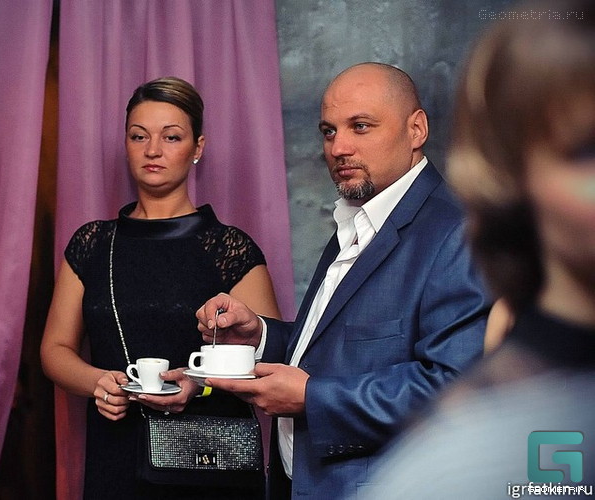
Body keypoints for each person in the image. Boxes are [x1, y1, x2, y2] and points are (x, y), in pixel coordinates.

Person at [196, 62, 491, 499]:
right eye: (329, 131)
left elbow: (456, 386)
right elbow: (341, 348)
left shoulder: (457, 231)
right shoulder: (360, 219)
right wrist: (260, 336)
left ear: (416, 129)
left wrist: (312, 398)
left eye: (361, 126)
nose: (338, 147)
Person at [358, 1, 595, 497]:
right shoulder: (471, 457)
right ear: (506, 179)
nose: (340, 147)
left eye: (360, 126)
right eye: (587, 151)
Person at [41, 76, 280, 499]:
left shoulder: (229, 248)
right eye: (139, 136)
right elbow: (55, 349)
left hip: (208, 463)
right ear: (126, 144)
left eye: (171, 137)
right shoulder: (93, 243)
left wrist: (198, 382)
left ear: (197, 148)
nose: (153, 150)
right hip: (116, 451)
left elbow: (268, 360)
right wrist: (99, 382)